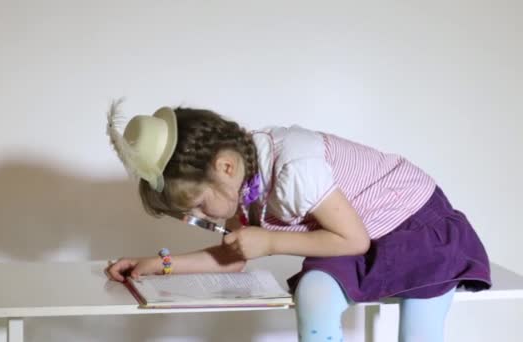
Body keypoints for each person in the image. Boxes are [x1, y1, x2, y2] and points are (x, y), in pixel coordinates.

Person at [103, 100, 491, 342]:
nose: (203, 218)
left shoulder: (294, 169)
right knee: (314, 293)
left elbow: (352, 240)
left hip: (412, 225)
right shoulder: (242, 184)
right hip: (348, 235)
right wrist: (160, 265)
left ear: (224, 166)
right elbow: (233, 258)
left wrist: (271, 243)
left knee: (418, 331)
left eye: (201, 206)